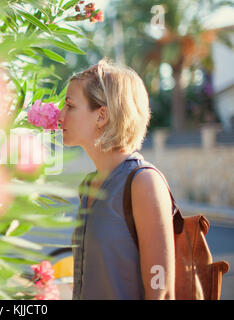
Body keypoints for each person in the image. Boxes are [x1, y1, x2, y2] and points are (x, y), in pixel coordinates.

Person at [58, 57, 175, 300]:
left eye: (70, 105)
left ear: (101, 116)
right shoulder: (89, 185)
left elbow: (161, 290)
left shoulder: (143, 183)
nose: (60, 115)